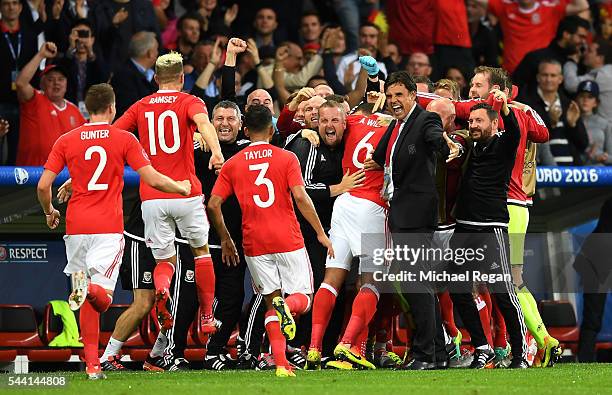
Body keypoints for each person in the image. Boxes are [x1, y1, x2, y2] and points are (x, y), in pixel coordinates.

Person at [36, 83, 190, 380]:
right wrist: (180, 186)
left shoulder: (67, 139)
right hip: (106, 228)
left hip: (76, 229)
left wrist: (49, 212)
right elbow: (151, 178)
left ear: (86, 108)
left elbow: (43, 185)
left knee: (82, 297)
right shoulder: (123, 138)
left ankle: (93, 365)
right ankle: (95, 293)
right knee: (101, 294)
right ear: (112, 108)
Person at [207, 104, 334, 378]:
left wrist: (226, 238)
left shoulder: (233, 164)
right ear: (272, 128)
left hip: (254, 243)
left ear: (245, 129)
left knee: (269, 300)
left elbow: (213, 204)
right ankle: (288, 308)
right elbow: (301, 197)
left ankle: (280, 364)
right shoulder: (286, 158)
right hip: (286, 237)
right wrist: (321, 233)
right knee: (304, 298)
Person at [113, 52, 224, 337]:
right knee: (200, 253)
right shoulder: (189, 101)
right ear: (182, 78)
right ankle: (208, 316)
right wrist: (216, 151)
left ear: (155, 78)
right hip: (186, 192)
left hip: (152, 197)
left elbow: (112, 137)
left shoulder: (140, 106)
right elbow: (204, 125)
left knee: (164, 262)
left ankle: (162, 289)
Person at [364, 71, 462, 370]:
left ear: (412, 96)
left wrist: (445, 146)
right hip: (404, 213)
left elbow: (435, 139)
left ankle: (424, 354)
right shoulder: (397, 125)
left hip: (417, 214)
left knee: (417, 284)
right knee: (419, 285)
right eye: (390, 96)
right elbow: (381, 157)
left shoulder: (424, 120)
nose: (394, 101)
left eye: (399, 96)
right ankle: (437, 353)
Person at [304, 98, 392, 371]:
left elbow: (333, 119)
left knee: (331, 281)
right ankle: (348, 343)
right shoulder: (392, 129)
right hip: (373, 208)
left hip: (343, 205)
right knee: (372, 282)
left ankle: (315, 348)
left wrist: (304, 131)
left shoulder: (352, 121)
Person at [448, 96, 529, 369]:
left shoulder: (503, 144)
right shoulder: (472, 146)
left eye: (479, 121)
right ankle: (482, 346)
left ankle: (520, 354)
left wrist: (505, 108)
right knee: (457, 289)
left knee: (503, 292)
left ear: (494, 124)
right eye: (471, 121)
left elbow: (516, 131)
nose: (473, 125)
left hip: (491, 229)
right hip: (464, 228)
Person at [198, 100, 251, 370]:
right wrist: (195, 133)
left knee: (231, 298)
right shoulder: (196, 148)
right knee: (187, 301)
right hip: (198, 242)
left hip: (235, 240)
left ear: (241, 125)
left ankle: (214, 351)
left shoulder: (248, 151)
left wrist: (305, 132)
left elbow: (276, 135)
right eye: (218, 118)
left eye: (231, 119)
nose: (225, 123)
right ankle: (167, 353)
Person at [15, 42, 86, 166]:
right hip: (31, 176)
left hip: (63, 179)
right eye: (50, 79)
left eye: (61, 79)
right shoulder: (35, 99)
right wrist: (41, 55)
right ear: (42, 84)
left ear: (66, 84)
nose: (56, 83)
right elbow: (21, 83)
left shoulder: (74, 111)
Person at [476, 0, 589, 74]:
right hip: (512, 73)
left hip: (541, 74)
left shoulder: (549, 9)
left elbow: (583, 5)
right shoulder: (505, 7)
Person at [519, 59, 587, 166]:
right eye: (545, 75)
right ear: (538, 77)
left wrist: (573, 125)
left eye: (553, 75)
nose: (549, 79)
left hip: (572, 172)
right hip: (543, 171)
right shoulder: (527, 104)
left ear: (560, 79)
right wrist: (551, 123)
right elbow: (529, 140)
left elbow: (583, 144)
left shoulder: (569, 104)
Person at [0, 0, 39, 165]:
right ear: (1, 7)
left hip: (23, 102)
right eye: (6, 3)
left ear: (21, 7)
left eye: (15, 3)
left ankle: (15, 190)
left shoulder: (29, 35)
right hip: (0, 101)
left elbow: (35, 69)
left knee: (18, 151)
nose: (11, 7)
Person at [513, 15, 590, 92]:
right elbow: (516, 87)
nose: (583, 42)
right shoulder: (535, 58)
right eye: (581, 37)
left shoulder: (581, 62)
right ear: (566, 34)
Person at [111, 31, 159, 117]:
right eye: (156, 50)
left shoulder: (152, 74)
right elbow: (130, 110)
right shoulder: (124, 76)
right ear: (150, 53)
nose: (157, 53)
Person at [564, 39, 612, 123]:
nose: (584, 53)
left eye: (589, 51)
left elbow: (571, 84)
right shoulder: (608, 71)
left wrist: (571, 62)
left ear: (600, 58)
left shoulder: (603, 75)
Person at [576, 81, 612, 165]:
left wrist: (603, 158)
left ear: (596, 102)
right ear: (576, 99)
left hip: (599, 172)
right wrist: (587, 156)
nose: (585, 100)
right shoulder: (570, 123)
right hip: (576, 171)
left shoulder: (605, 124)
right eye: (582, 96)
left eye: (590, 97)